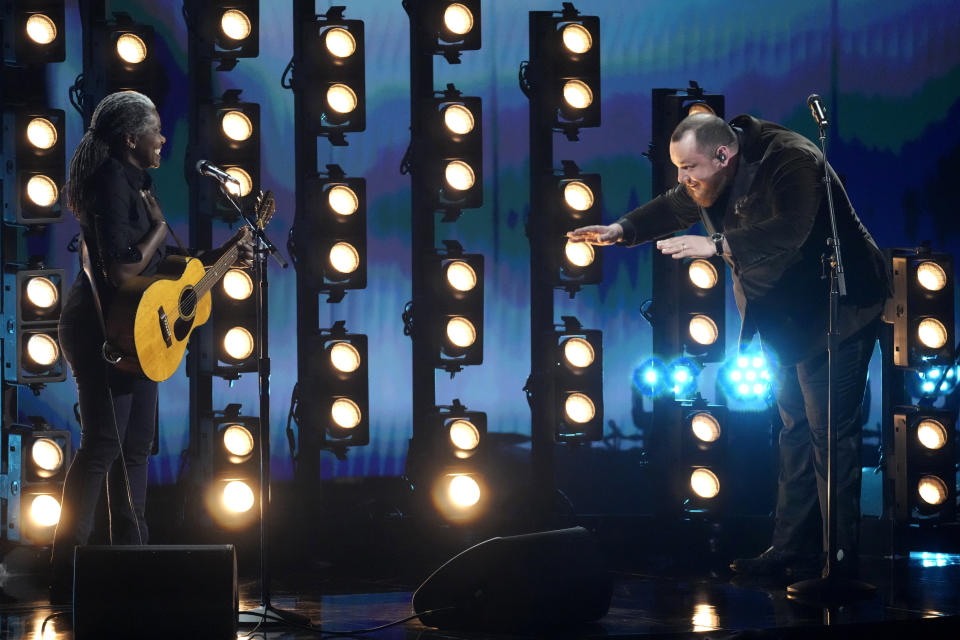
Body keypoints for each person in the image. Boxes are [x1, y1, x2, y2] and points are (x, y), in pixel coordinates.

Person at [569, 112, 890, 579]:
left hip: (836, 308)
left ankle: (839, 565)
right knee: (796, 429)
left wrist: (716, 245)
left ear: (724, 154)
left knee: (830, 438)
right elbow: (678, 202)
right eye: (678, 167)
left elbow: (792, 229)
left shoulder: (792, 159)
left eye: (689, 167)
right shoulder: (710, 176)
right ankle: (791, 551)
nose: (683, 179)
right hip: (783, 313)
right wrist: (622, 231)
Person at [51, 90, 252, 599]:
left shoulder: (138, 183)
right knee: (102, 445)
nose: (163, 139)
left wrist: (229, 254)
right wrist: (160, 228)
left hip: (141, 329)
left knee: (135, 448)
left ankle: (131, 565)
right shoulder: (110, 185)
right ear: (130, 138)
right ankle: (65, 573)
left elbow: (167, 279)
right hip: (104, 328)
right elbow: (120, 269)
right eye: (156, 131)